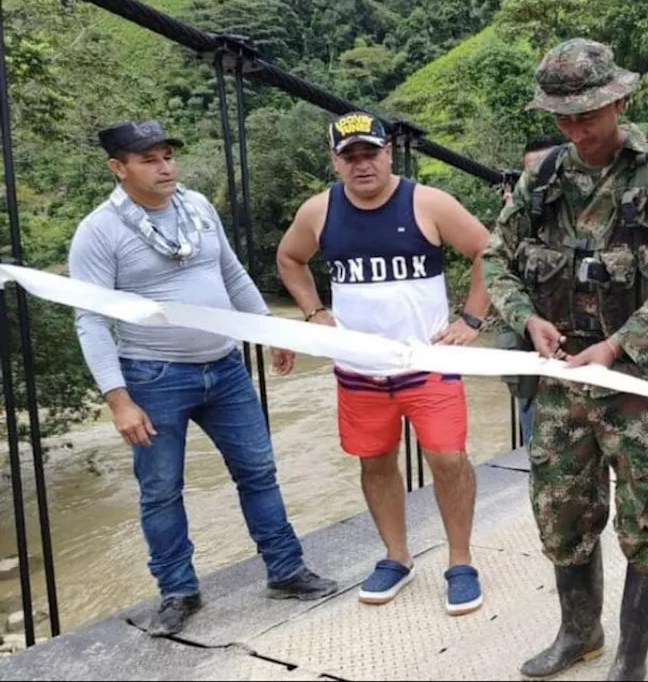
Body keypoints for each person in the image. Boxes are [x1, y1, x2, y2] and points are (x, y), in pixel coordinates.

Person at [480, 37, 648, 681]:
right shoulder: (542, 177)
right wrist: (526, 318)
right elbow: (496, 256)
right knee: (560, 514)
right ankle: (580, 634)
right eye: (562, 116)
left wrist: (617, 346)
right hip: (559, 384)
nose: (575, 129)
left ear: (620, 100)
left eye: (587, 114)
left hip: (639, 384)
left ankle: (631, 659)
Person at [68, 120, 338, 637]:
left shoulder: (197, 208)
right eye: (148, 159)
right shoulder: (98, 231)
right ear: (117, 168)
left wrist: (268, 329)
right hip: (153, 376)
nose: (165, 166)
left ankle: (286, 570)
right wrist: (119, 400)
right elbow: (91, 319)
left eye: (167, 155)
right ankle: (177, 591)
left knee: (259, 471)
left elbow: (232, 274)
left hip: (226, 368)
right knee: (162, 490)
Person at [275, 112, 491, 613]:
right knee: (374, 461)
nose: (362, 164)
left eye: (370, 152)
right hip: (359, 370)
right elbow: (290, 258)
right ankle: (396, 557)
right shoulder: (319, 212)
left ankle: (460, 562)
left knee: (448, 459)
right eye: (349, 156)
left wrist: (472, 321)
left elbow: (487, 251)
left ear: (389, 152)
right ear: (335, 162)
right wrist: (315, 311)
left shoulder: (427, 203)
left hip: (428, 360)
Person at [502, 134, 564, 446]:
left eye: (550, 168)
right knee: (538, 450)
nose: (542, 180)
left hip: (592, 351)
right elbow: (495, 269)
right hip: (532, 348)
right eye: (532, 173)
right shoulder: (516, 219)